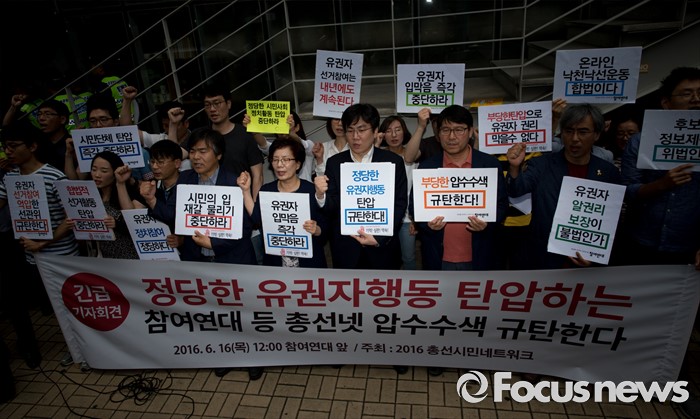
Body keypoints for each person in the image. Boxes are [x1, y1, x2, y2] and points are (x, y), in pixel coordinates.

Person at [168, 127, 262, 381]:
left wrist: (214, 243)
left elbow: (245, 228)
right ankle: (224, 355)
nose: (196, 157)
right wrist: (153, 202)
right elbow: (174, 215)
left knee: (243, 313)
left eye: (203, 151)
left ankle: (254, 357)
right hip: (198, 262)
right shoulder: (185, 180)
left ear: (218, 154)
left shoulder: (234, 182)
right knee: (214, 313)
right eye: (192, 151)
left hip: (232, 260)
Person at [506, 103, 622, 270]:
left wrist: (594, 255)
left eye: (583, 132)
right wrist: (514, 167)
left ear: (596, 134)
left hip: (585, 263)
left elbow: (611, 221)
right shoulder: (541, 165)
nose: (574, 138)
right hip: (543, 259)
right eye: (568, 131)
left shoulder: (608, 172)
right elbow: (516, 190)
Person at [620, 66, 700, 266]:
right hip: (640, 241)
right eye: (687, 93)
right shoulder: (639, 141)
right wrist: (662, 184)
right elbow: (628, 191)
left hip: (690, 249)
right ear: (666, 103)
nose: (696, 99)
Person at [314, 103, 407, 271]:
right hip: (346, 249)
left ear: (375, 131)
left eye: (361, 130)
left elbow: (399, 204)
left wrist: (379, 238)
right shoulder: (335, 163)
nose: (355, 137)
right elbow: (331, 207)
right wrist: (321, 196)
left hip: (382, 248)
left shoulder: (393, 162)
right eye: (350, 130)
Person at [0, 122, 80, 312]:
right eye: (5, 147)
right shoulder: (10, 178)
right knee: (51, 308)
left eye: (13, 146)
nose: (8, 151)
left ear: (32, 146)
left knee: (72, 308)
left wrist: (42, 244)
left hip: (62, 257)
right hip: (33, 258)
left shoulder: (54, 177)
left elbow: (70, 219)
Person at [238, 138, 327, 268]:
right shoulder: (267, 190)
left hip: (309, 264)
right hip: (275, 263)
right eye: (275, 160)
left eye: (286, 159)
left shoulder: (311, 190)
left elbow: (325, 227)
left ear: (298, 164)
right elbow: (257, 218)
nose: (279, 164)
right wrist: (246, 191)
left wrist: (316, 229)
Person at [65, 93, 152, 182]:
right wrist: (69, 155)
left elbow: (150, 182)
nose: (98, 125)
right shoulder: (89, 151)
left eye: (103, 120)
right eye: (93, 121)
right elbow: (75, 182)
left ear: (116, 121)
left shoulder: (140, 153)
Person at [201, 84, 264, 197]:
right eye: (207, 105)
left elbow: (257, 175)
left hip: (241, 199)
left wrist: (254, 204)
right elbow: (174, 155)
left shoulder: (246, 135)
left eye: (217, 103)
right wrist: (173, 124)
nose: (212, 109)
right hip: (208, 199)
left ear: (228, 104)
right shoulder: (201, 136)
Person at [77, 151, 142, 259]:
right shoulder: (89, 196)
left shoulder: (131, 194)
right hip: (104, 258)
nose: (97, 175)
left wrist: (120, 183)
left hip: (130, 257)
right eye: (94, 169)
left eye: (104, 171)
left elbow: (133, 220)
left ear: (115, 173)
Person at [378, 115, 418, 270]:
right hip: (383, 217)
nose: (393, 135)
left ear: (404, 131)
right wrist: (376, 144)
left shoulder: (414, 154)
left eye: (398, 130)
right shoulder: (377, 155)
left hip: (407, 218)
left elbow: (416, 191)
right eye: (388, 131)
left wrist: (415, 219)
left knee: (408, 258)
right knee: (385, 257)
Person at [139, 139, 183, 232]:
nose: (154, 167)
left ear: (177, 163)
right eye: (152, 162)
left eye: (160, 162)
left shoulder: (188, 185)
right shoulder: (150, 185)